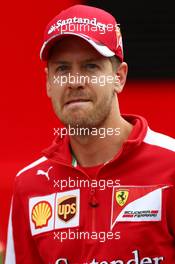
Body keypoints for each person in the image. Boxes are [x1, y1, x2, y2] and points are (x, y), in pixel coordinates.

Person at [5, 4, 175, 264]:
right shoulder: (29, 185)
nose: (74, 81)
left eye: (91, 67)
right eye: (62, 69)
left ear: (119, 77)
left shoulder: (170, 167)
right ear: (49, 83)